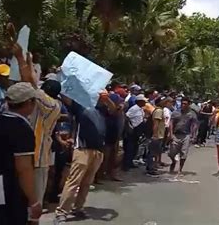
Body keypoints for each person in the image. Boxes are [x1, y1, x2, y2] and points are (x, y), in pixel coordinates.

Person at [0, 82, 41, 225]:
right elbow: (24, 168)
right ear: (29, 102)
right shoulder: (22, 129)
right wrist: (34, 201)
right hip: (11, 190)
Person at [54, 91, 115, 224]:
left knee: (87, 182)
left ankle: (78, 208)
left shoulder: (102, 109)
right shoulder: (80, 106)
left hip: (98, 150)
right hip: (82, 148)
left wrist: (107, 99)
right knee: (73, 181)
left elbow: (114, 110)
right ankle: (62, 212)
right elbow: (66, 97)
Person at [13, 43, 61, 206]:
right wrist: (27, 63)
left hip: (38, 158)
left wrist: (21, 59)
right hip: (29, 156)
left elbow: (31, 85)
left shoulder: (51, 104)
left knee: (34, 202)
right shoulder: (38, 104)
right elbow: (28, 84)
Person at [168, 97, 197, 176]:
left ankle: (180, 169)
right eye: (182, 103)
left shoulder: (192, 114)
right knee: (171, 153)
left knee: (183, 154)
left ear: (189, 105)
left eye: (185, 104)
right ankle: (173, 162)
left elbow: (194, 125)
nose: (183, 105)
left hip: (186, 135)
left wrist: (193, 135)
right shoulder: (176, 112)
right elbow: (171, 123)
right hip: (176, 134)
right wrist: (170, 134)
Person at [122, 94, 147, 171]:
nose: (145, 102)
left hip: (138, 130)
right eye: (143, 101)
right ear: (139, 101)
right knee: (130, 148)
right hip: (133, 130)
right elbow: (126, 116)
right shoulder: (134, 109)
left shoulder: (141, 109)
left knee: (135, 147)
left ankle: (130, 162)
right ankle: (126, 165)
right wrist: (130, 126)